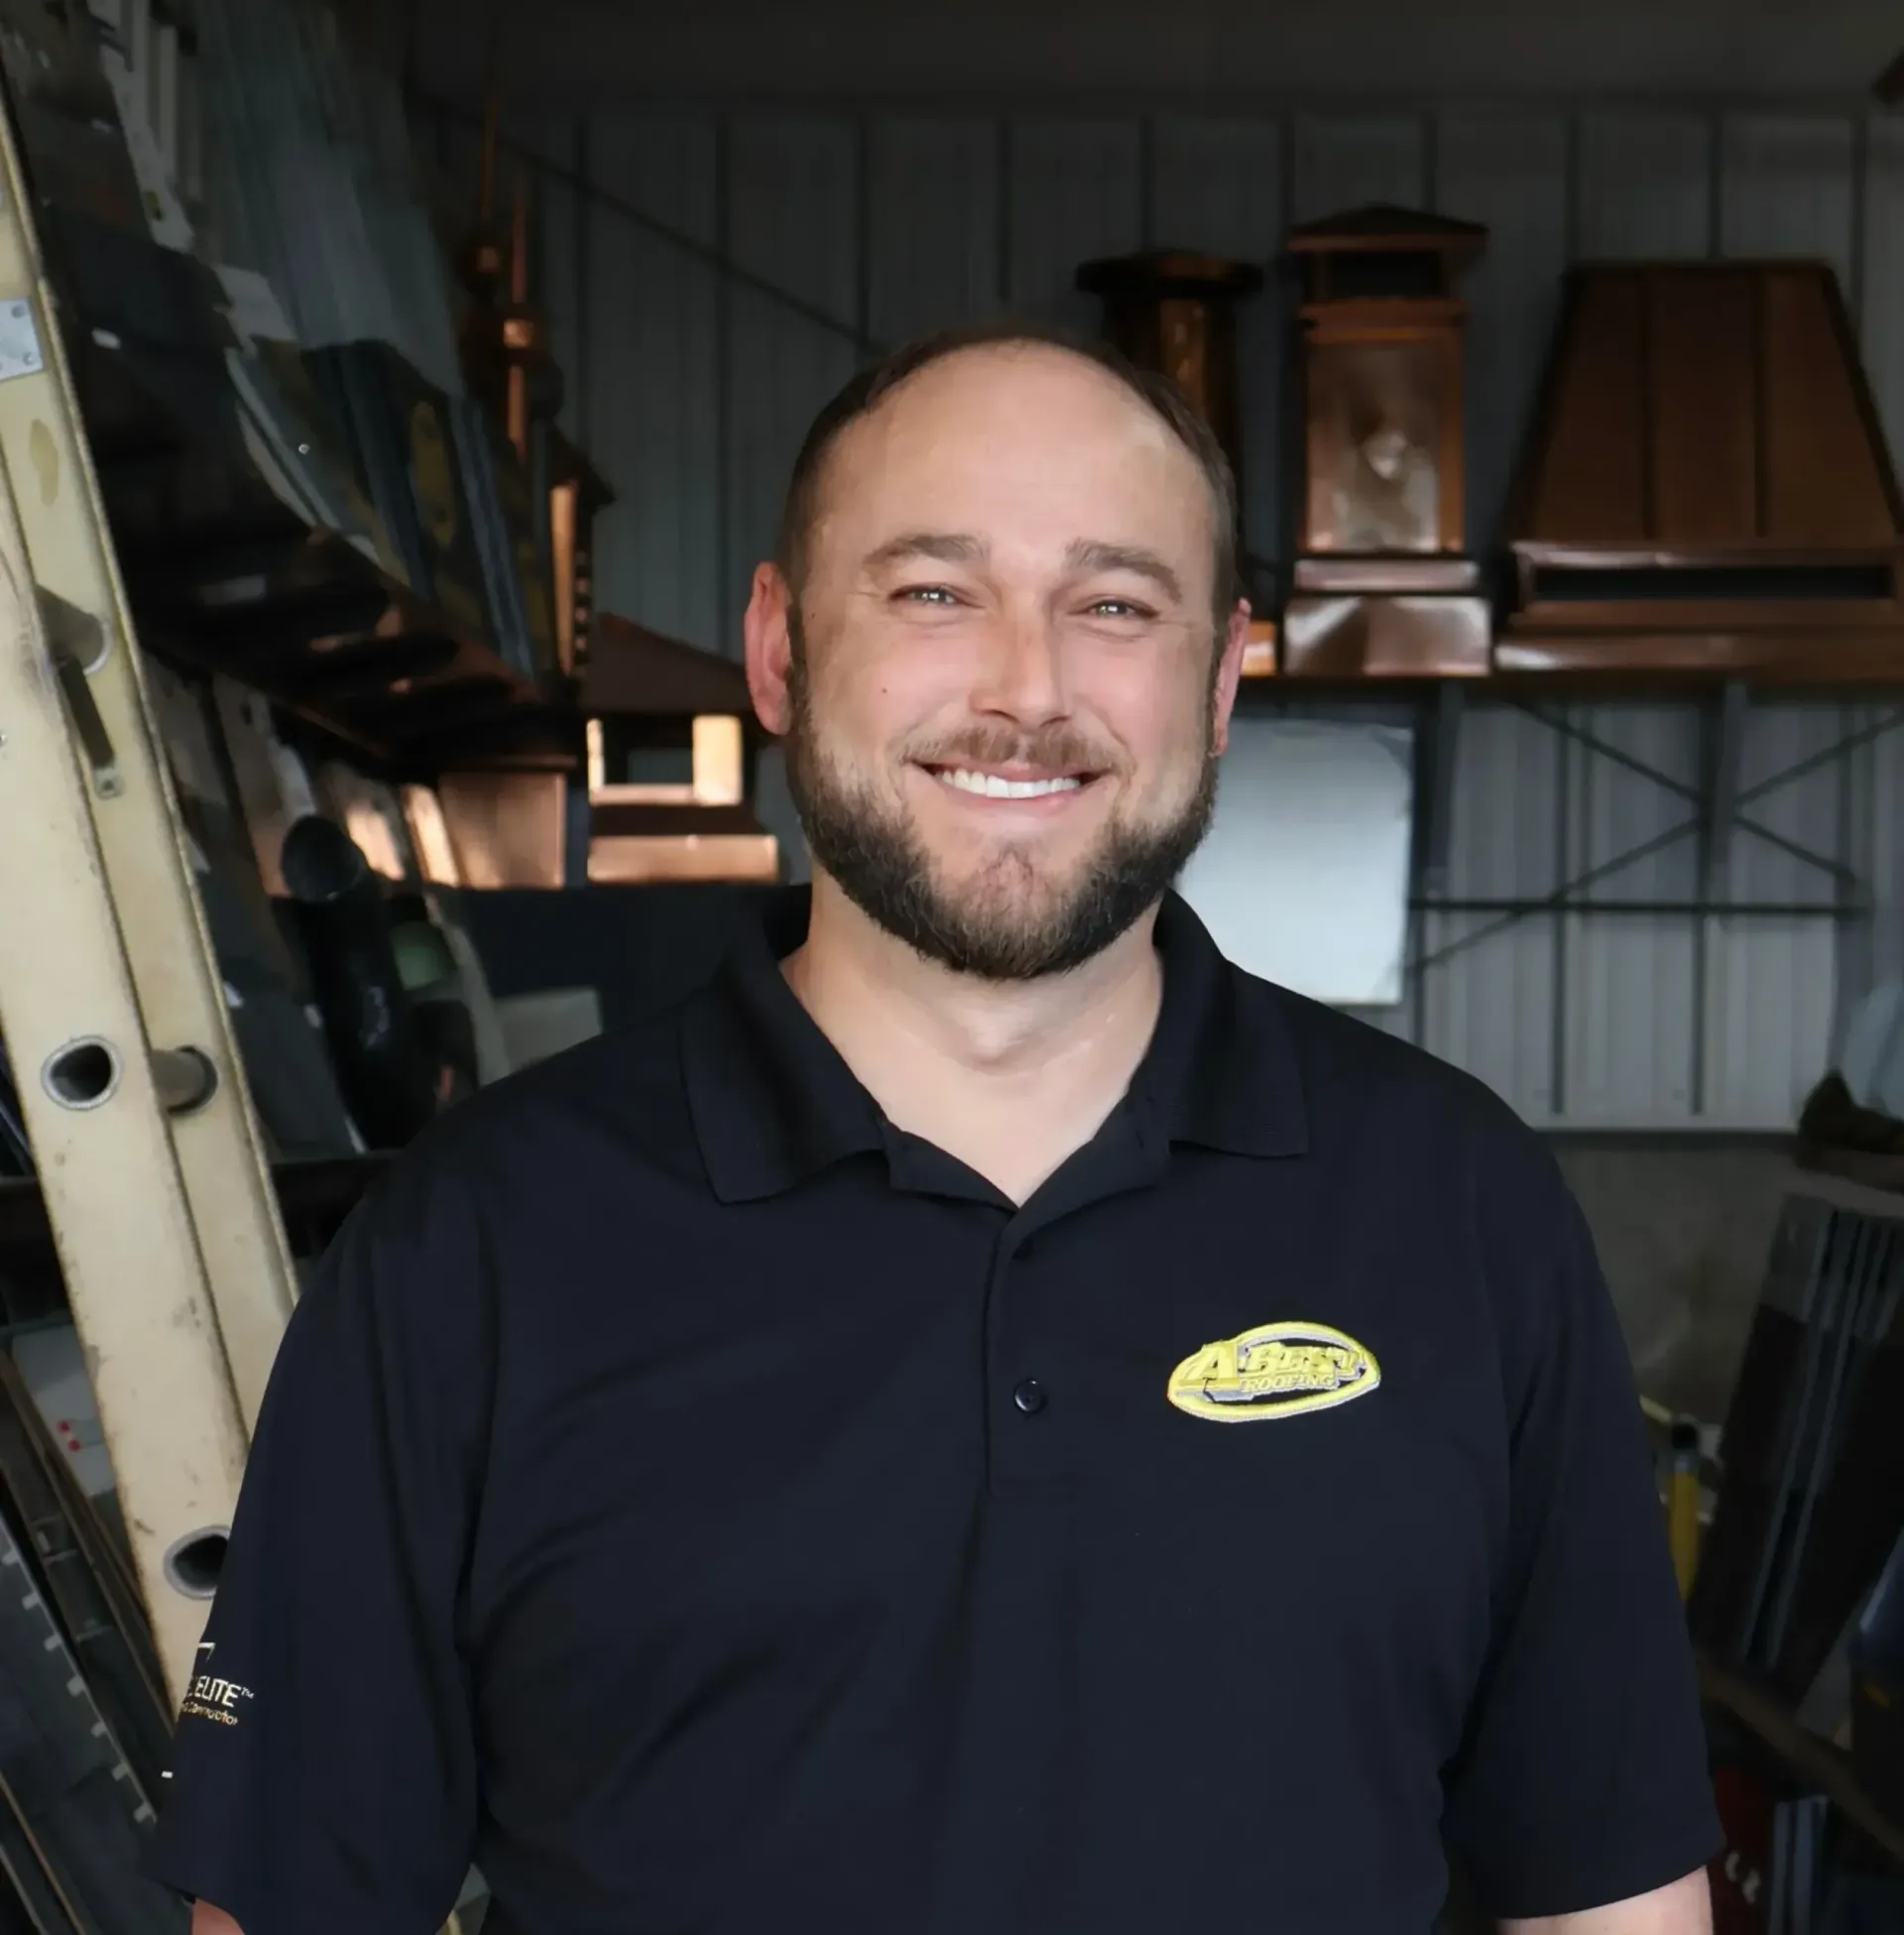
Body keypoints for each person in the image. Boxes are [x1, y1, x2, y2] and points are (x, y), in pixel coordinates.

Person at [149, 322, 1720, 1934]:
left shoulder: (1456, 1210)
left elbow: (1612, 1896)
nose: (1026, 688)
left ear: (1225, 674)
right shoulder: (472, 1250)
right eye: (932, 592)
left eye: (1115, 604)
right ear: (778, 652)